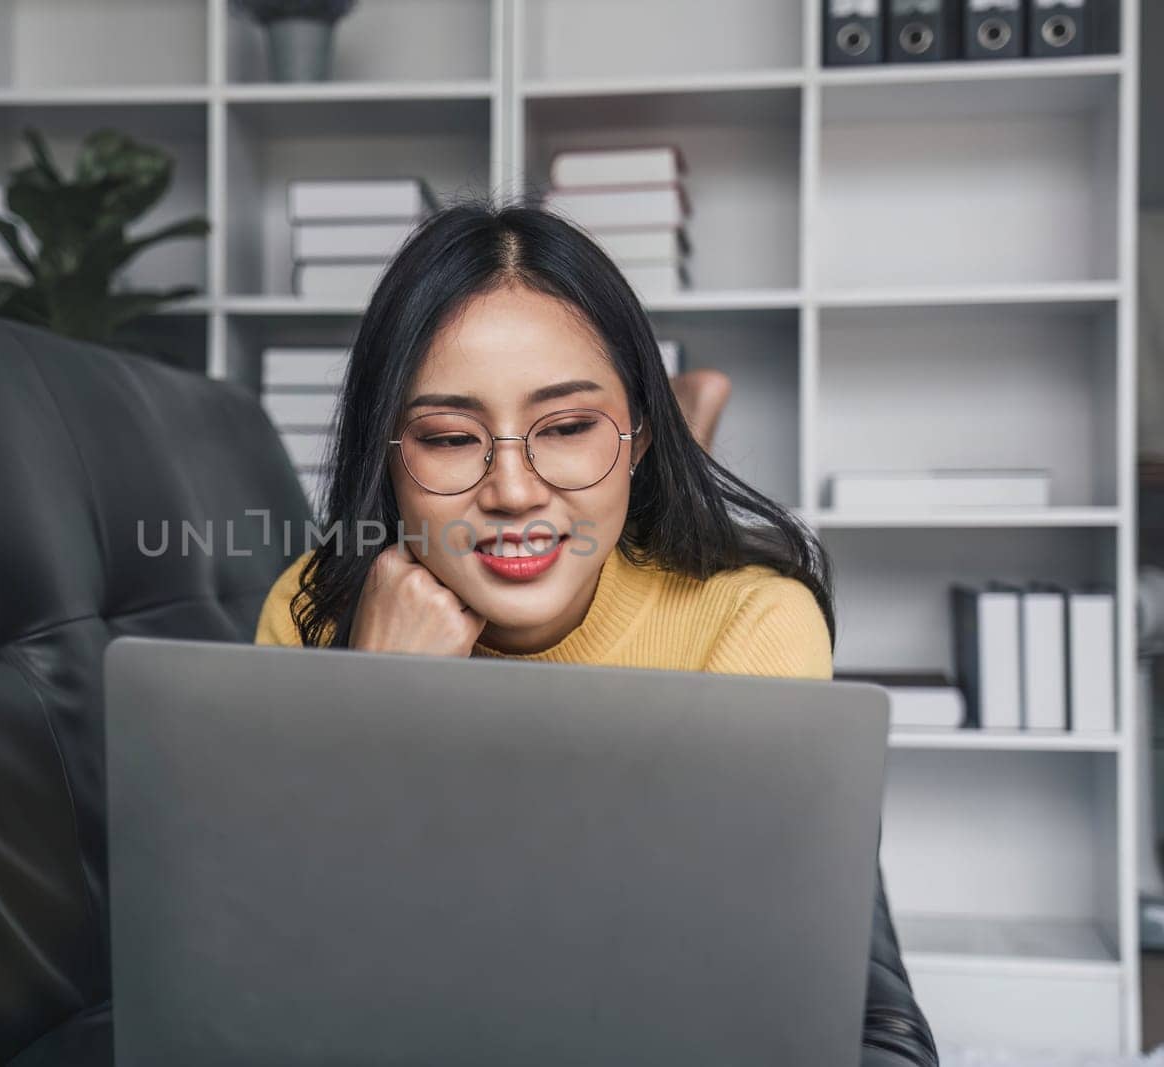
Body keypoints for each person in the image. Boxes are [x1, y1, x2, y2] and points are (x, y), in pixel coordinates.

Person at [253, 199, 939, 1066]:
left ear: (639, 432)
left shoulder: (754, 616)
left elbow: (696, 980)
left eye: (569, 425)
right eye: (449, 436)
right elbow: (288, 959)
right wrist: (376, 702)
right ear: (387, 459)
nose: (511, 488)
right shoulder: (312, 607)